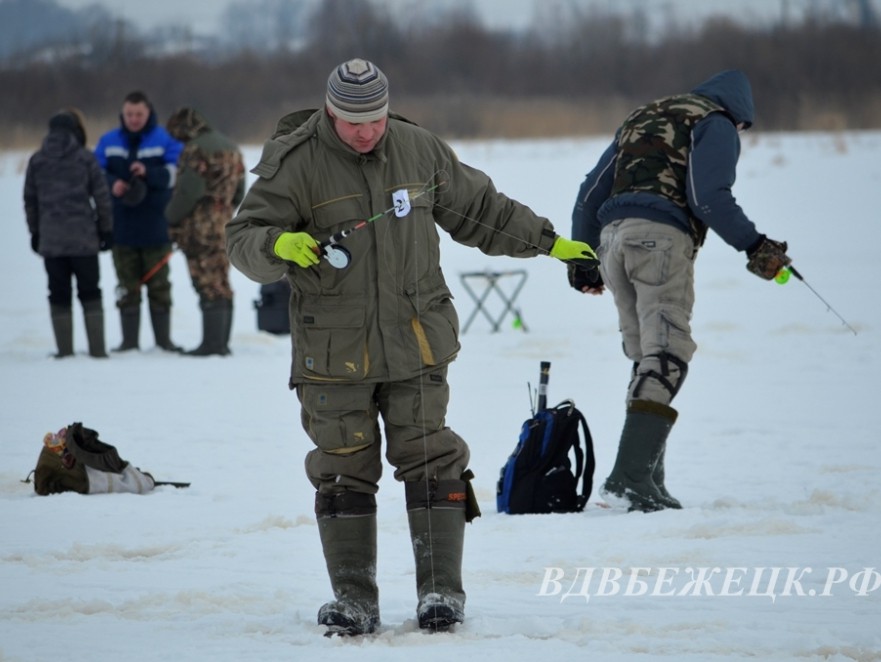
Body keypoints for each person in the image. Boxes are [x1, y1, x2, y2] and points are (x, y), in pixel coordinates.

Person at [226, 58, 596, 636]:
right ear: (330, 111)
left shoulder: (419, 149)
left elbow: (481, 211)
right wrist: (279, 244)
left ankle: (441, 594)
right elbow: (242, 239)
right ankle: (354, 599)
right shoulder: (294, 163)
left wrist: (550, 243)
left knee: (433, 459)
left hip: (417, 343)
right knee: (343, 470)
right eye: (353, 122)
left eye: (374, 118)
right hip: (334, 355)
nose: (367, 131)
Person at [569, 69, 791, 513]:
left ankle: (649, 479)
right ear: (740, 114)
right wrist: (755, 246)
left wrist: (582, 259)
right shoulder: (716, 123)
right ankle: (629, 478)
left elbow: (590, 190)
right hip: (660, 239)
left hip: (612, 241)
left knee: (645, 355)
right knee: (668, 354)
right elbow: (706, 196)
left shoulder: (643, 115)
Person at [94, 90, 184, 352]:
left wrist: (149, 173)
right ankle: (129, 341)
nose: (134, 119)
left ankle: (163, 341)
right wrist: (113, 184)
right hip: (121, 227)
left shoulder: (164, 140)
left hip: (156, 227)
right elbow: (96, 174)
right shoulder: (108, 141)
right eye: (129, 114)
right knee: (126, 287)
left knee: (160, 287)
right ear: (123, 114)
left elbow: (176, 173)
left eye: (139, 114)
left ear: (149, 113)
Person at [24, 109, 114, 359]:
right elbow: (102, 197)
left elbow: (30, 200)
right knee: (90, 292)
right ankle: (97, 350)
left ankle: (65, 351)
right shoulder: (85, 158)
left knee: (58, 294)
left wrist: (35, 232)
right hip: (84, 239)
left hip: (52, 241)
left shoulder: (37, 160)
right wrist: (106, 228)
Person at [165, 107, 246, 356]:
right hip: (225, 223)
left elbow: (189, 191)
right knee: (221, 280)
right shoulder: (231, 146)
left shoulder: (196, 149)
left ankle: (211, 345)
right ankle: (221, 343)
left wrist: (169, 217)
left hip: (200, 226)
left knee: (206, 281)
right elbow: (240, 189)